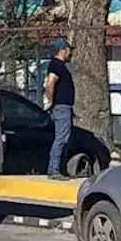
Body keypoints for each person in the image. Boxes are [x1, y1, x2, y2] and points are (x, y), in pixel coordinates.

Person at [42, 37, 76, 180]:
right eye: (69, 50)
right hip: (61, 107)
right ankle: (54, 169)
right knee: (61, 138)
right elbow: (51, 83)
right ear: (63, 50)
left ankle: (60, 168)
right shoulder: (56, 65)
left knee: (63, 138)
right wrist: (50, 101)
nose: (70, 53)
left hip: (64, 107)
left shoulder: (59, 66)